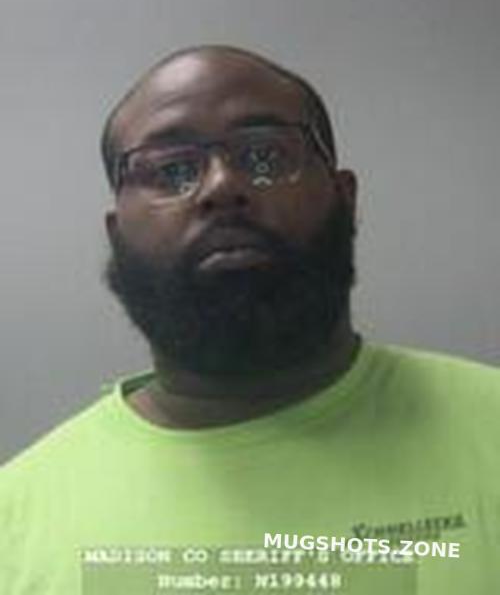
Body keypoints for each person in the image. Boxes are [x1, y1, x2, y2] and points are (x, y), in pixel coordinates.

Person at [0, 45, 499, 594]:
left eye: (264, 155)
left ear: (345, 196)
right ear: (117, 236)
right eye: (171, 169)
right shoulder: (15, 526)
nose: (221, 186)